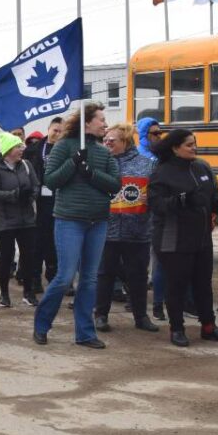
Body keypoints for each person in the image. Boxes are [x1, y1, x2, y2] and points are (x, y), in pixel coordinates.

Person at [32, 103, 120, 349]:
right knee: (64, 277)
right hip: (70, 220)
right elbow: (51, 180)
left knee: (90, 280)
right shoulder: (64, 146)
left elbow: (114, 184)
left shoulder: (104, 152)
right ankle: (41, 324)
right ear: (87, 123)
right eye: (101, 119)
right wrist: (73, 162)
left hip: (98, 221)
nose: (105, 124)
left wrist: (91, 173)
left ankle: (85, 333)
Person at [148, 128, 218, 347]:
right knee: (176, 286)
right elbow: (156, 205)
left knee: (203, 284)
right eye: (189, 144)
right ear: (175, 148)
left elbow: (211, 195)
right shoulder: (162, 171)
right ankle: (177, 329)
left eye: (194, 143)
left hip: (201, 237)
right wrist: (182, 200)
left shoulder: (201, 167)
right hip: (173, 238)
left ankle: (209, 327)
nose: (194, 147)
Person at [94, 123, 159, 334]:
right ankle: (101, 315)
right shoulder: (100, 163)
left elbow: (155, 196)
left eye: (111, 141)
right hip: (107, 230)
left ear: (125, 142)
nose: (106, 144)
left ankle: (141, 316)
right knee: (105, 274)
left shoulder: (146, 164)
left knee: (138, 276)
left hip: (138, 231)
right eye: (104, 140)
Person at [0, 132, 40, 308]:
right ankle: (4, 294)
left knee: (29, 256)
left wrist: (30, 196)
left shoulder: (26, 165)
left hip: (26, 219)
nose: (22, 149)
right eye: (18, 146)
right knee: (6, 256)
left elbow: (35, 185)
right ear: (9, 150)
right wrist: (15, 195)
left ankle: (28, 292)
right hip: (5, 220)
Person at [24, 117, 64, 293]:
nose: (57, 134)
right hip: (37, 201)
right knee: (37, 241)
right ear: (49, 129)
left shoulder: (66, 149)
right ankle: (34, 279)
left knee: (55, 242)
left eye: (61, 131)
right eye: (55, 130)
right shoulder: (33, 150)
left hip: (59, 199)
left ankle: (54, 277)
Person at [137, 116, 168, 320]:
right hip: (140, 215)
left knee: (160, 260)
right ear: (144, 134)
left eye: (160, 133)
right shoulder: (139, 157)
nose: (159, 136)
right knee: (140, 261)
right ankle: (137, 301)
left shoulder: (162, 156)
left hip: (159, 214)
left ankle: (158, 304)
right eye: (155, 133)